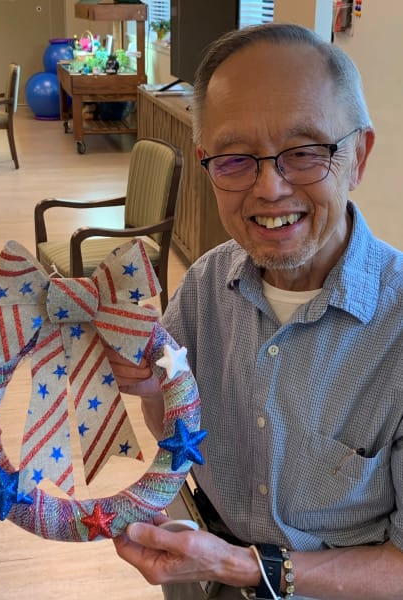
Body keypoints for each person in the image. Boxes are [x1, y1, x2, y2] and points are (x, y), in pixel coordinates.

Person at [109, 23, 403, 600]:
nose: (269, 187)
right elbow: (178, 430)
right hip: (198, 567)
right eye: (235, 157)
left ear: (358, 156)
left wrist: (248, 567)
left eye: (305, 152)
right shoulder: (204, 282)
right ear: (207, 162)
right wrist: (150, 393)